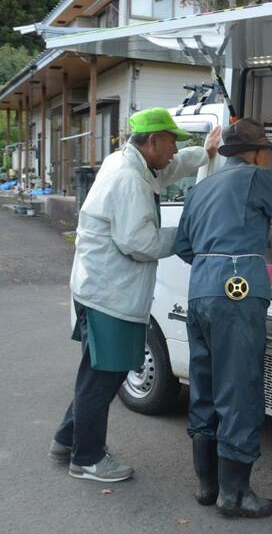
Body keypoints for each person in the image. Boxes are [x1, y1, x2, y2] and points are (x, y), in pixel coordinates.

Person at [49, 107, 221, 482]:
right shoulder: (129, 180)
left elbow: (169, 170)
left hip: (97, 289)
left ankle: (67, 440)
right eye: (173, 141)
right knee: (102, 378)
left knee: (95, 373)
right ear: (153, 141)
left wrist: (205, 153)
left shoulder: (128, 163)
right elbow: (138, 242)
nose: (176, 149)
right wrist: (188, 235)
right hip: (109, 294)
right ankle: (88, 458)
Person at [175, 118, 272, 518]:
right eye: (266, 149)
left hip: (200, 290)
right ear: (254, 153)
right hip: (237, 292)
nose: (268, 155)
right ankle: (235, 496)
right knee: (240, 390)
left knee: (205, 385)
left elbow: (185, 246)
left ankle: (207, 485)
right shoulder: (256, 177)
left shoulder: (199, 189)